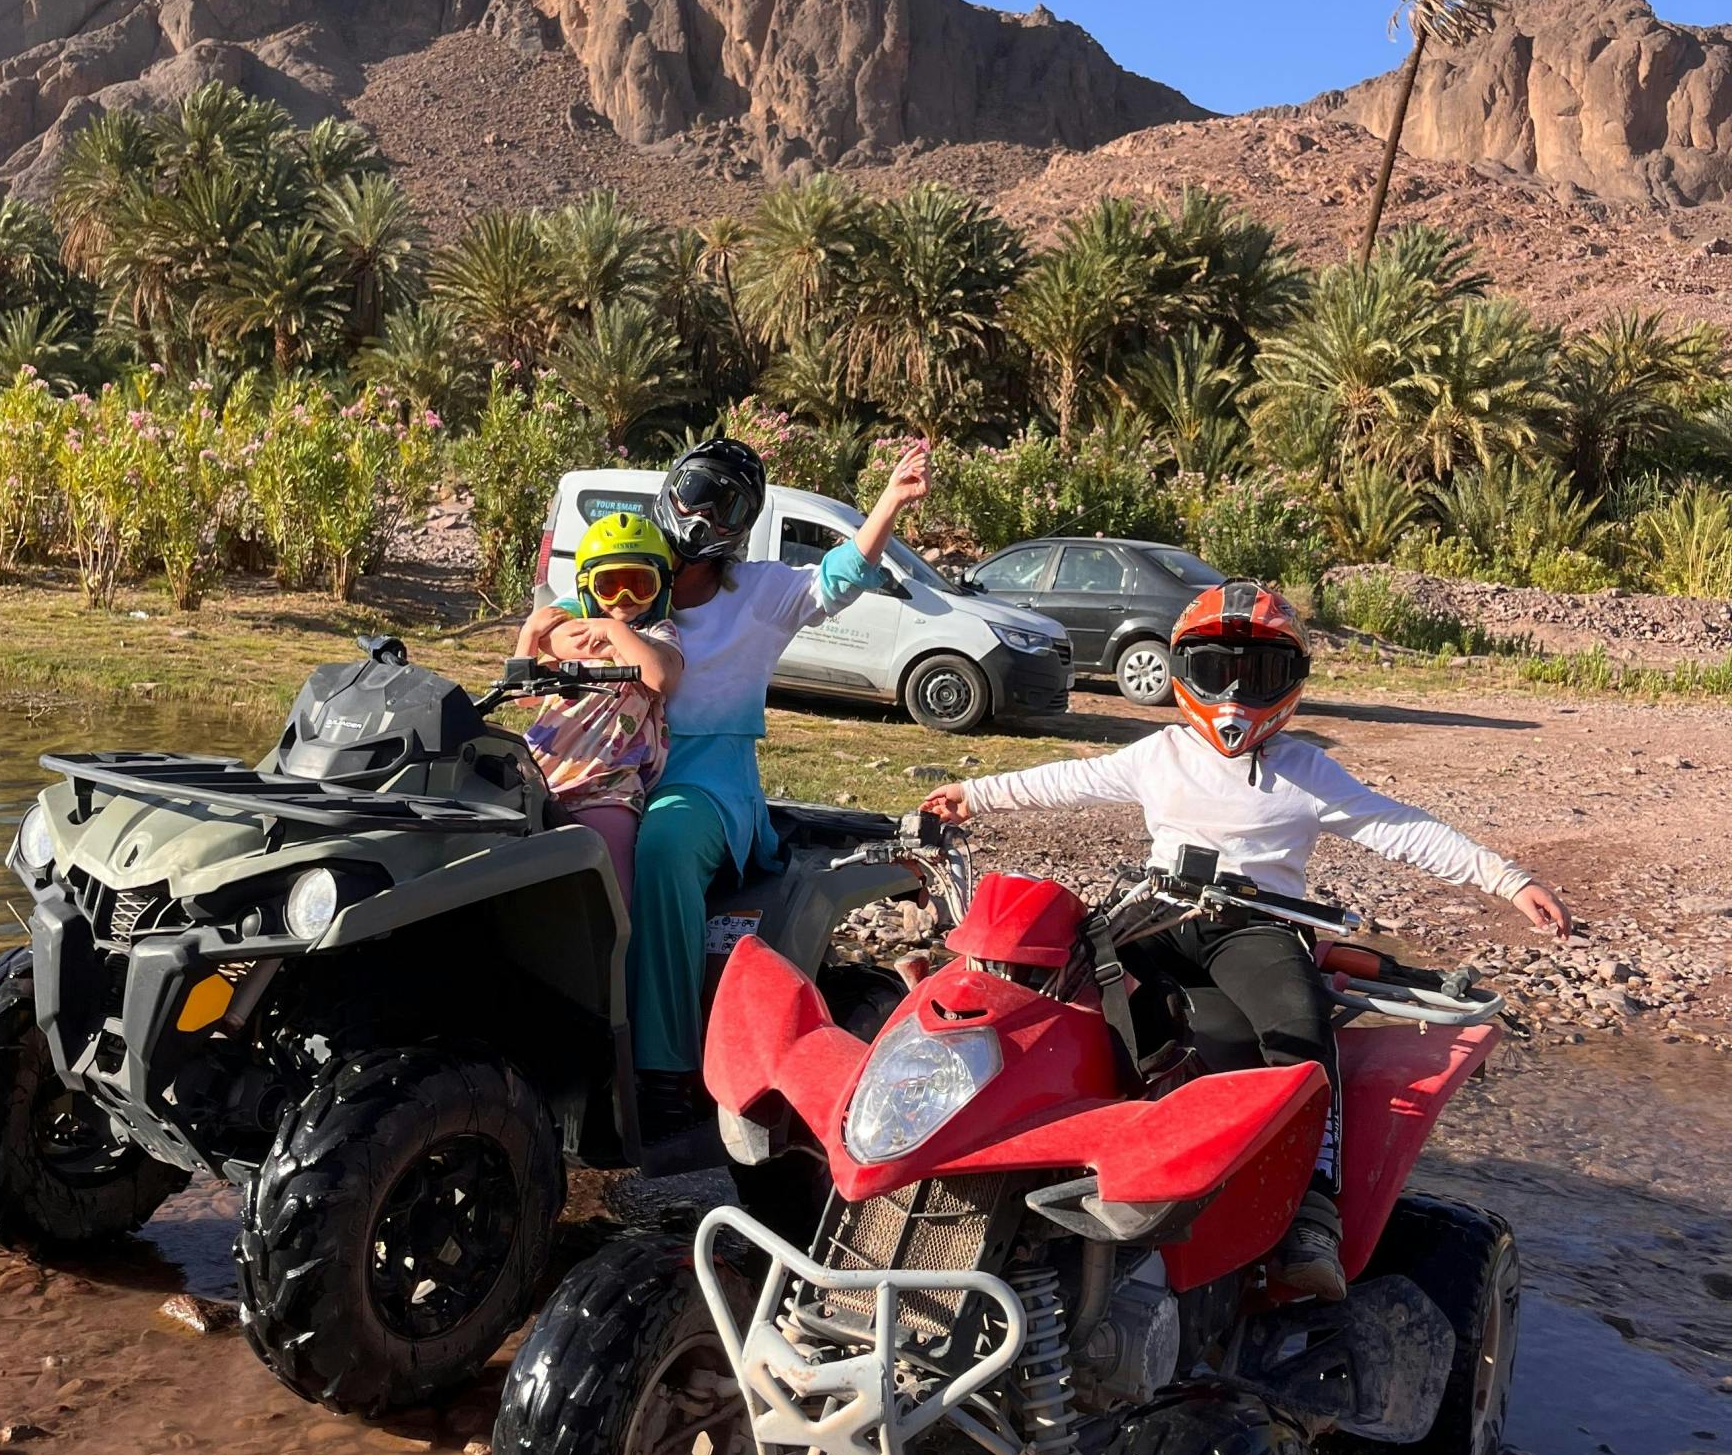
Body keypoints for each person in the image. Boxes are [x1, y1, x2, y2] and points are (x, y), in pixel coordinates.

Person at [922, 580, 1569, 1302]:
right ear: (1183, 671)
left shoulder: (1306, 770)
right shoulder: (1160, 753)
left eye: (1257, 673)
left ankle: (1312, 1216)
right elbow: (1068, 779)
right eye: (1215, 669)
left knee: (1299, 1033)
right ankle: (1026, 1154)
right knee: (1051, 992)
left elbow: (1403, 828)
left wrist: (1507, 879)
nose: (1233, 690)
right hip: (1152, 915)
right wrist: (974, 794)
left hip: (1256, 924)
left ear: (1290, 684)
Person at [629, 433, 933, 1139]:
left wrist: (890, 497)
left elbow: (841, 577)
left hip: (705, 780)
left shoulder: (760, 594)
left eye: (726, 505)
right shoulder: (627, 568)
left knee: (665, 847)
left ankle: (663, 1068)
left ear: (742, 526)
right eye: (695, 492)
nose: (702, 516)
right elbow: (560, 618)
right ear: (670, 489)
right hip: (615, 760)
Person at [515, 511, 684, 911]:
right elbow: (524, 697)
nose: (624, 601)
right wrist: (528, 635)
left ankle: (616, 962)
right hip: (542, 774)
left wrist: (613, 632)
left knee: (611, 891)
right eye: (611, 586)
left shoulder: (660, 635)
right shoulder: (573, 627)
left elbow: (660, 676)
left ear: (661, 588)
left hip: (608, 788)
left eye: (639, 585)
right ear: (589, 588)